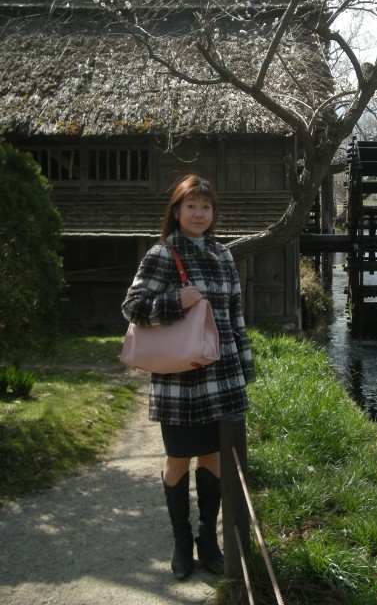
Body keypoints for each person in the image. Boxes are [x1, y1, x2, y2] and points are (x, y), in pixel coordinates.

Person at [122, 174, 255, 580]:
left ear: (214, 213)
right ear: (176, 211)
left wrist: (245, 368)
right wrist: (175, 302)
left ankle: (207, 539)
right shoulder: (162, 253)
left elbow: (235, 316)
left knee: (213, 458)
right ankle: (181, 542)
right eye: (191, 206)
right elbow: (132, 308)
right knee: (178, 459)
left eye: (206, 207)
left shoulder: (224, 254)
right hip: (180, 379)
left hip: (223, 374)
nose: (199, 213)